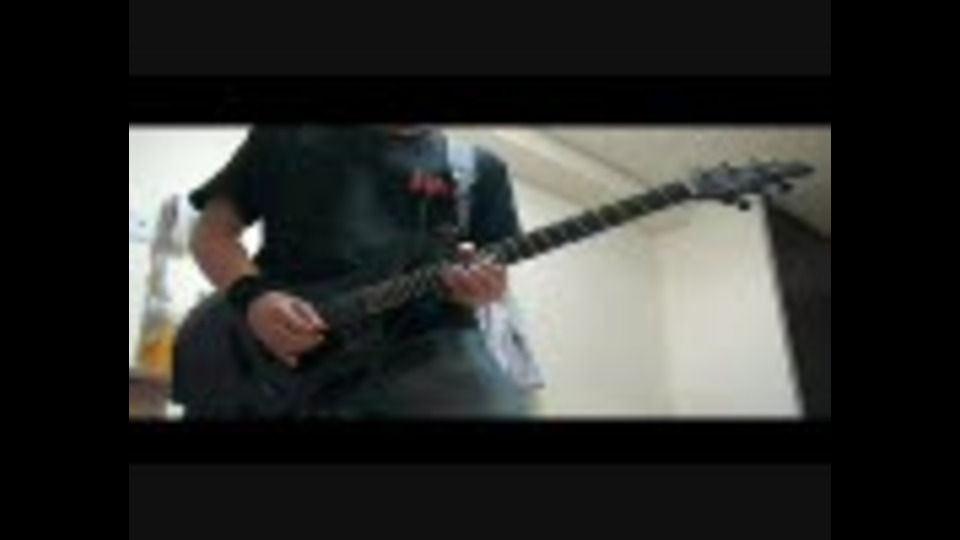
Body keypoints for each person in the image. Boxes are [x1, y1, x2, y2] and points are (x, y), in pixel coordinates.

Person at [181, 125, 536, 418]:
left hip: (422, 361)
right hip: (271, 359)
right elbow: (212, 233)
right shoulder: (286, 135)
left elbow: (494, 280)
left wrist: (480, 289)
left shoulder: (479, 171)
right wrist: (253, 300)